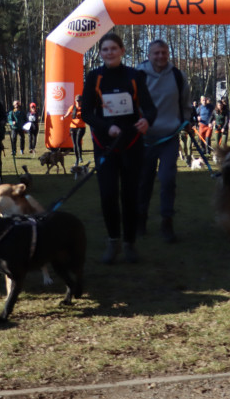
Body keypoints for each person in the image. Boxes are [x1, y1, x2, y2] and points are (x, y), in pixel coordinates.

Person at [81, 32, 156, 264]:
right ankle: (113, 241)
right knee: (108, 194)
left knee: (130, 194)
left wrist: (147, 121)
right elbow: (86, 113)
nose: (109, 53)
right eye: (105, 49)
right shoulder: (94, 77)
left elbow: (149, 108)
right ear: (101, 53)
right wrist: (107, 127)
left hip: (132, 143)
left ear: (122, 51)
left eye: (114, 48)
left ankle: (130, 244)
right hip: (106, 145)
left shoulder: (135, 76)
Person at [136, 39, 192, 243]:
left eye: (164, 53)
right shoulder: (138, 75)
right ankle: (140, 219)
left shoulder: (177, 76)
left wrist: (185, 120)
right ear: (149, 55)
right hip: (145, 138)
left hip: (170, 136)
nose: (160, 56)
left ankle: (167, 221)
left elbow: (185, 102)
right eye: (156, 53)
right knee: (144, 181)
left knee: (168, 180)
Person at [61, 95, 88, 165]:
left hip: (81, 127)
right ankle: (77, 159)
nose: (78, 102)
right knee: (75, 144)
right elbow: (67, 114)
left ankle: (80, 157)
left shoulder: (84, 108)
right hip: (73, 128)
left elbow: (88, 116)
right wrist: (63, 117)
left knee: (78, 141)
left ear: (81, 101)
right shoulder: (72, 107)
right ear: (75, 101)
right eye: (77, 101)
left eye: (79, 101)